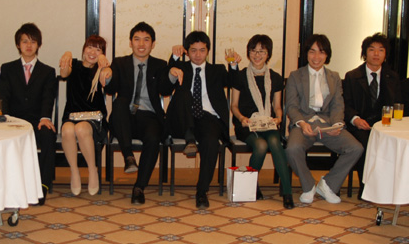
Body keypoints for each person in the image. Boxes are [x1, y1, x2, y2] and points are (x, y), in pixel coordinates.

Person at [99, 22, 173, 205]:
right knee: (120, 102)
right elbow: (111, 89)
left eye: (146, 40)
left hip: (149, 117)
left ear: (153, 44)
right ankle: (129, 156)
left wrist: (172, 75)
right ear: (130, 42)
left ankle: (139, 187)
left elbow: (165, 90)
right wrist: (108, 75)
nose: (141, 44)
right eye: (137, 39)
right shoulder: (120, 63)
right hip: (123, 119)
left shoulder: (160, 65)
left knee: (153, 138)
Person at [284, 34, 363, 205]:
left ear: (327, 55)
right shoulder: (295, 76)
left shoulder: (334, 77)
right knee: (292, 149)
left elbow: (337, 105)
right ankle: (308, 186)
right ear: (306, 53)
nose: (316, 57)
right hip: (304, 122)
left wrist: (336, 124)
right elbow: (291, 106)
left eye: (321, 52)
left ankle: (327, 185)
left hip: (327, 123)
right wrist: (301, 123)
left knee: (355, 148)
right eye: (312, 52)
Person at [165, 31, 238, 209]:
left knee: (211, 142)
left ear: (208, 51)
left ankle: (202, 191)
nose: (198, 55)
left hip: (208, 118)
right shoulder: (181, 68)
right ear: (187, 51)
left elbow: (235, 82)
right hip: (183, 118)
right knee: (184, 93)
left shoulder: (217, 70)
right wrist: (174, 58)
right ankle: (189, 136)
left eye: (202, 50)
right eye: (193, 50)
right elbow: (166, 84)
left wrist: (234, 65)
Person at [230, 34, 294, 209]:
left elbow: (277, 106)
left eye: (262, 51)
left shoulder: (276, 78)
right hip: (246, 124)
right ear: (248, 53)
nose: (257, 55)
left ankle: (287, 193)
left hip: (267, 123)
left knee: (274, 141)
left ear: (268, 54)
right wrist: (241, 118)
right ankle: (252, 185)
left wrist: (278, 118)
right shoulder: (240, 76)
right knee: (260, 145)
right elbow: (234, 105)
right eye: (254, 51)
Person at [0, 23, 57, 205]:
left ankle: (43, 185)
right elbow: (3, 97)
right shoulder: (7, 69)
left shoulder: (47, 71)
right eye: (24, 41)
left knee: (48, 135)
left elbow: (48, 98)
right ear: (18, 45)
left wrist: (45, 117)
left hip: (37, 121)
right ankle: (6, 185)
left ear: (38, 44)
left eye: (33, 41)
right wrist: (7, 119)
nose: (29, 45)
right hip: (13, 120)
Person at [342, 33, 401, 198]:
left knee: (394, 143)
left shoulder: (392, 77)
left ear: (385, 54)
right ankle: (366, 187)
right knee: (365, 144)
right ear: (364, 53)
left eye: (381, 50)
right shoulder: (352, 76)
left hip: (385, 125)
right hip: (360, 125)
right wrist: (355, 119)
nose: (376, 54)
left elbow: (398, 104)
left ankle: (389, 187)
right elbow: (345, 104)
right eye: (372, 49)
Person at [58, 35, 109, 196]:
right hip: (72, 116)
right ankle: (74, 171)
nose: (92, 52)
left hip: (94, 120)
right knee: (67, 130)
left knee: (81, 129)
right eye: (90, 47)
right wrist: (67, 54)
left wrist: (104, 64)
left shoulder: (101, 70)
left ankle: (92, 170)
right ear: (83, 49)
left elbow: (108, 79)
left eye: (98, 49)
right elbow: (64, 73)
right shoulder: (74, 65)